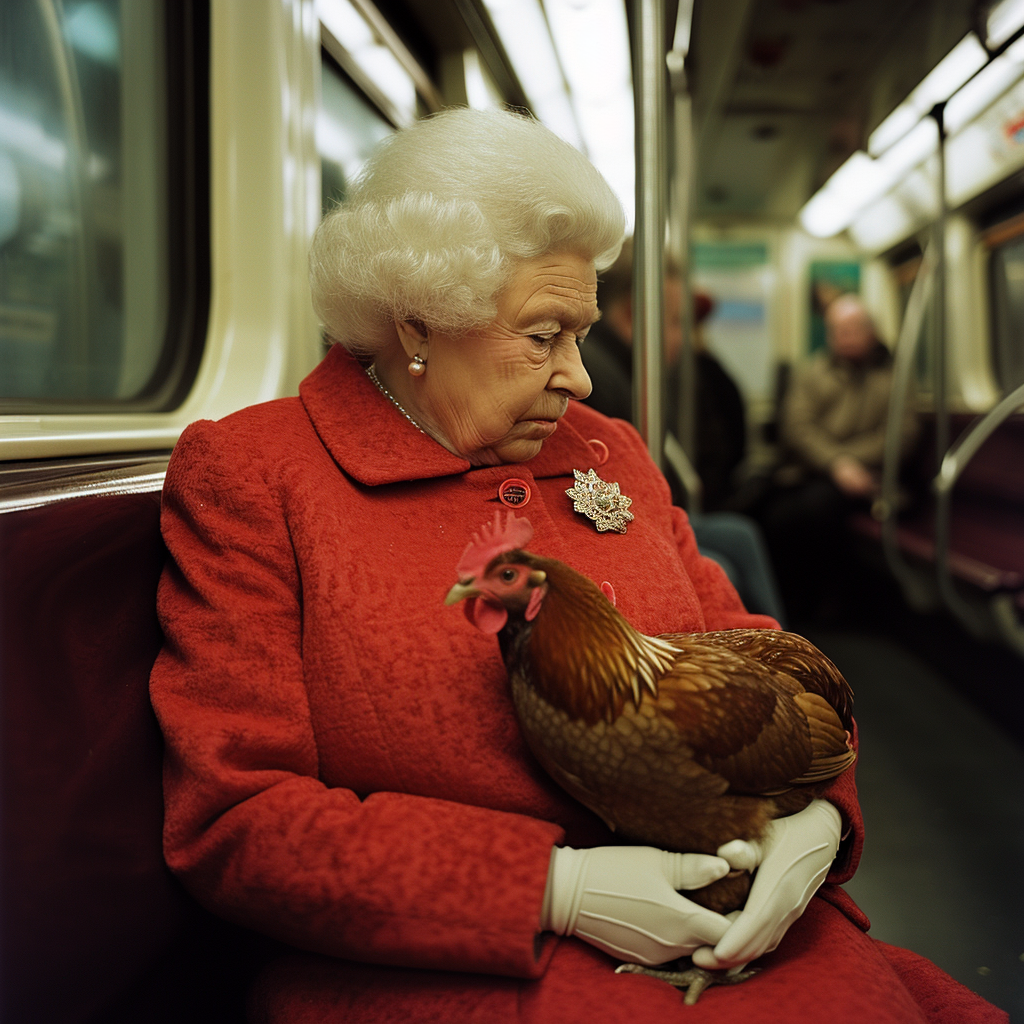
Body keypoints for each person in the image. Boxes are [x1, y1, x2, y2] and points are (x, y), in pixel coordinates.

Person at [149, 109, 1001, 1024]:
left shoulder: (611, 451)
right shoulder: (259, 477)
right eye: (545, 336)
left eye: (583, 335)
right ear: (418, 322)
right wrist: (553, 890)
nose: (582, 379)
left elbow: (748, 649)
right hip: (445, 968)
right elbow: (236, 819)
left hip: (728, 922)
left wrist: (821, 816)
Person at [582, 241, 783, 624]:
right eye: (674, 322)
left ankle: (782, 650)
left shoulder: (635, 374)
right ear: (633, 315)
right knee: (724, 564)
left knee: (739, 533)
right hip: (622, 521)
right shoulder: (600, 379)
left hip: (648, 511)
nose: (682, 338)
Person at [753, 293, 918, 620]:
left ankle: (819, 606)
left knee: (813, 511)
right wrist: (835, 463)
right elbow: (796, 427)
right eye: (837, 330)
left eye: (852, 329)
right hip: (814, 472)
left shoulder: (895, 378)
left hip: (869, 480)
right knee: (767, 511)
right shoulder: (813, 372)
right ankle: (782, 604)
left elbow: (901, 436)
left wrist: (848, 463)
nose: (844, 337)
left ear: (871, 332)